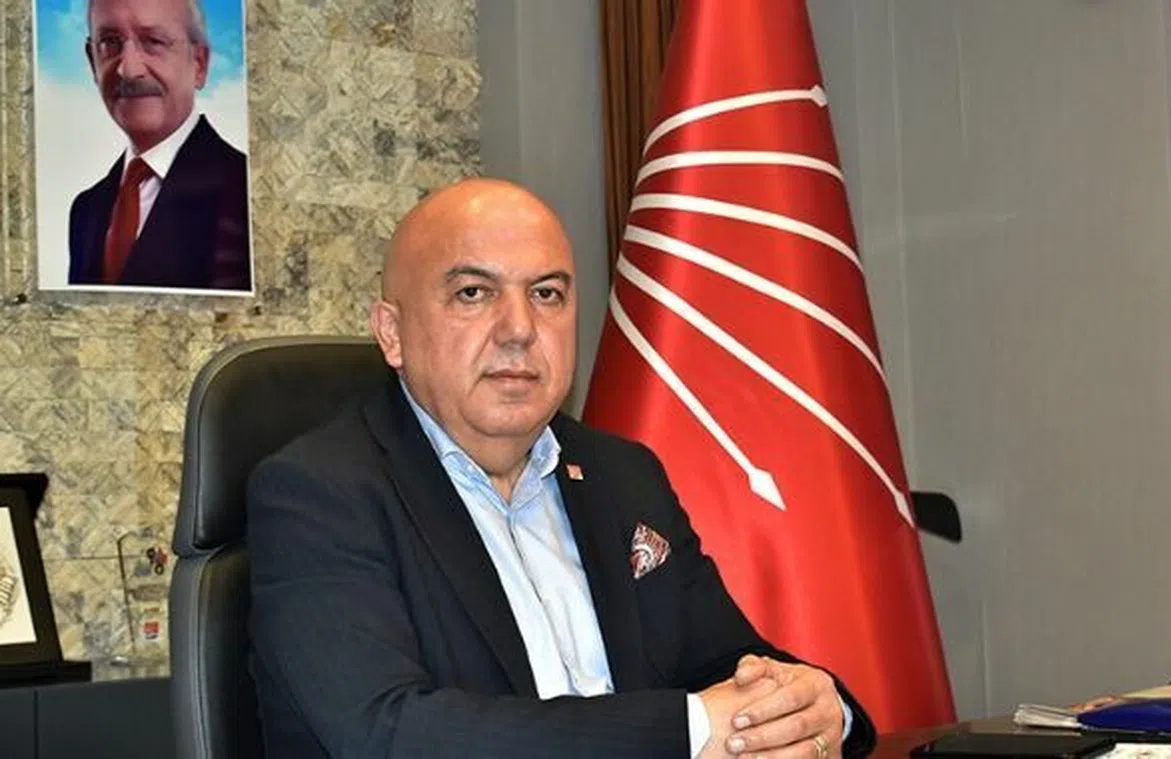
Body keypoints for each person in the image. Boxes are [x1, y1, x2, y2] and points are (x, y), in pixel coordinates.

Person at [246, 178, 876, 758]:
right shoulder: (319, 494)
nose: (520, 329)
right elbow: (388, 732)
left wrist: (816, 707)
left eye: (546, 294)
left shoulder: (623, 476)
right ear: (392, 333)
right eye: (473, 293)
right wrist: (688, 731)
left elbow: (728, 665)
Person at [67, 0, 250, 290]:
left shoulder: (247, 193)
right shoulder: (85, 210)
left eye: (153, 41)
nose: (128, 70)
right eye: (110, 43)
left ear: (199, 63)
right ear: (92, 62)